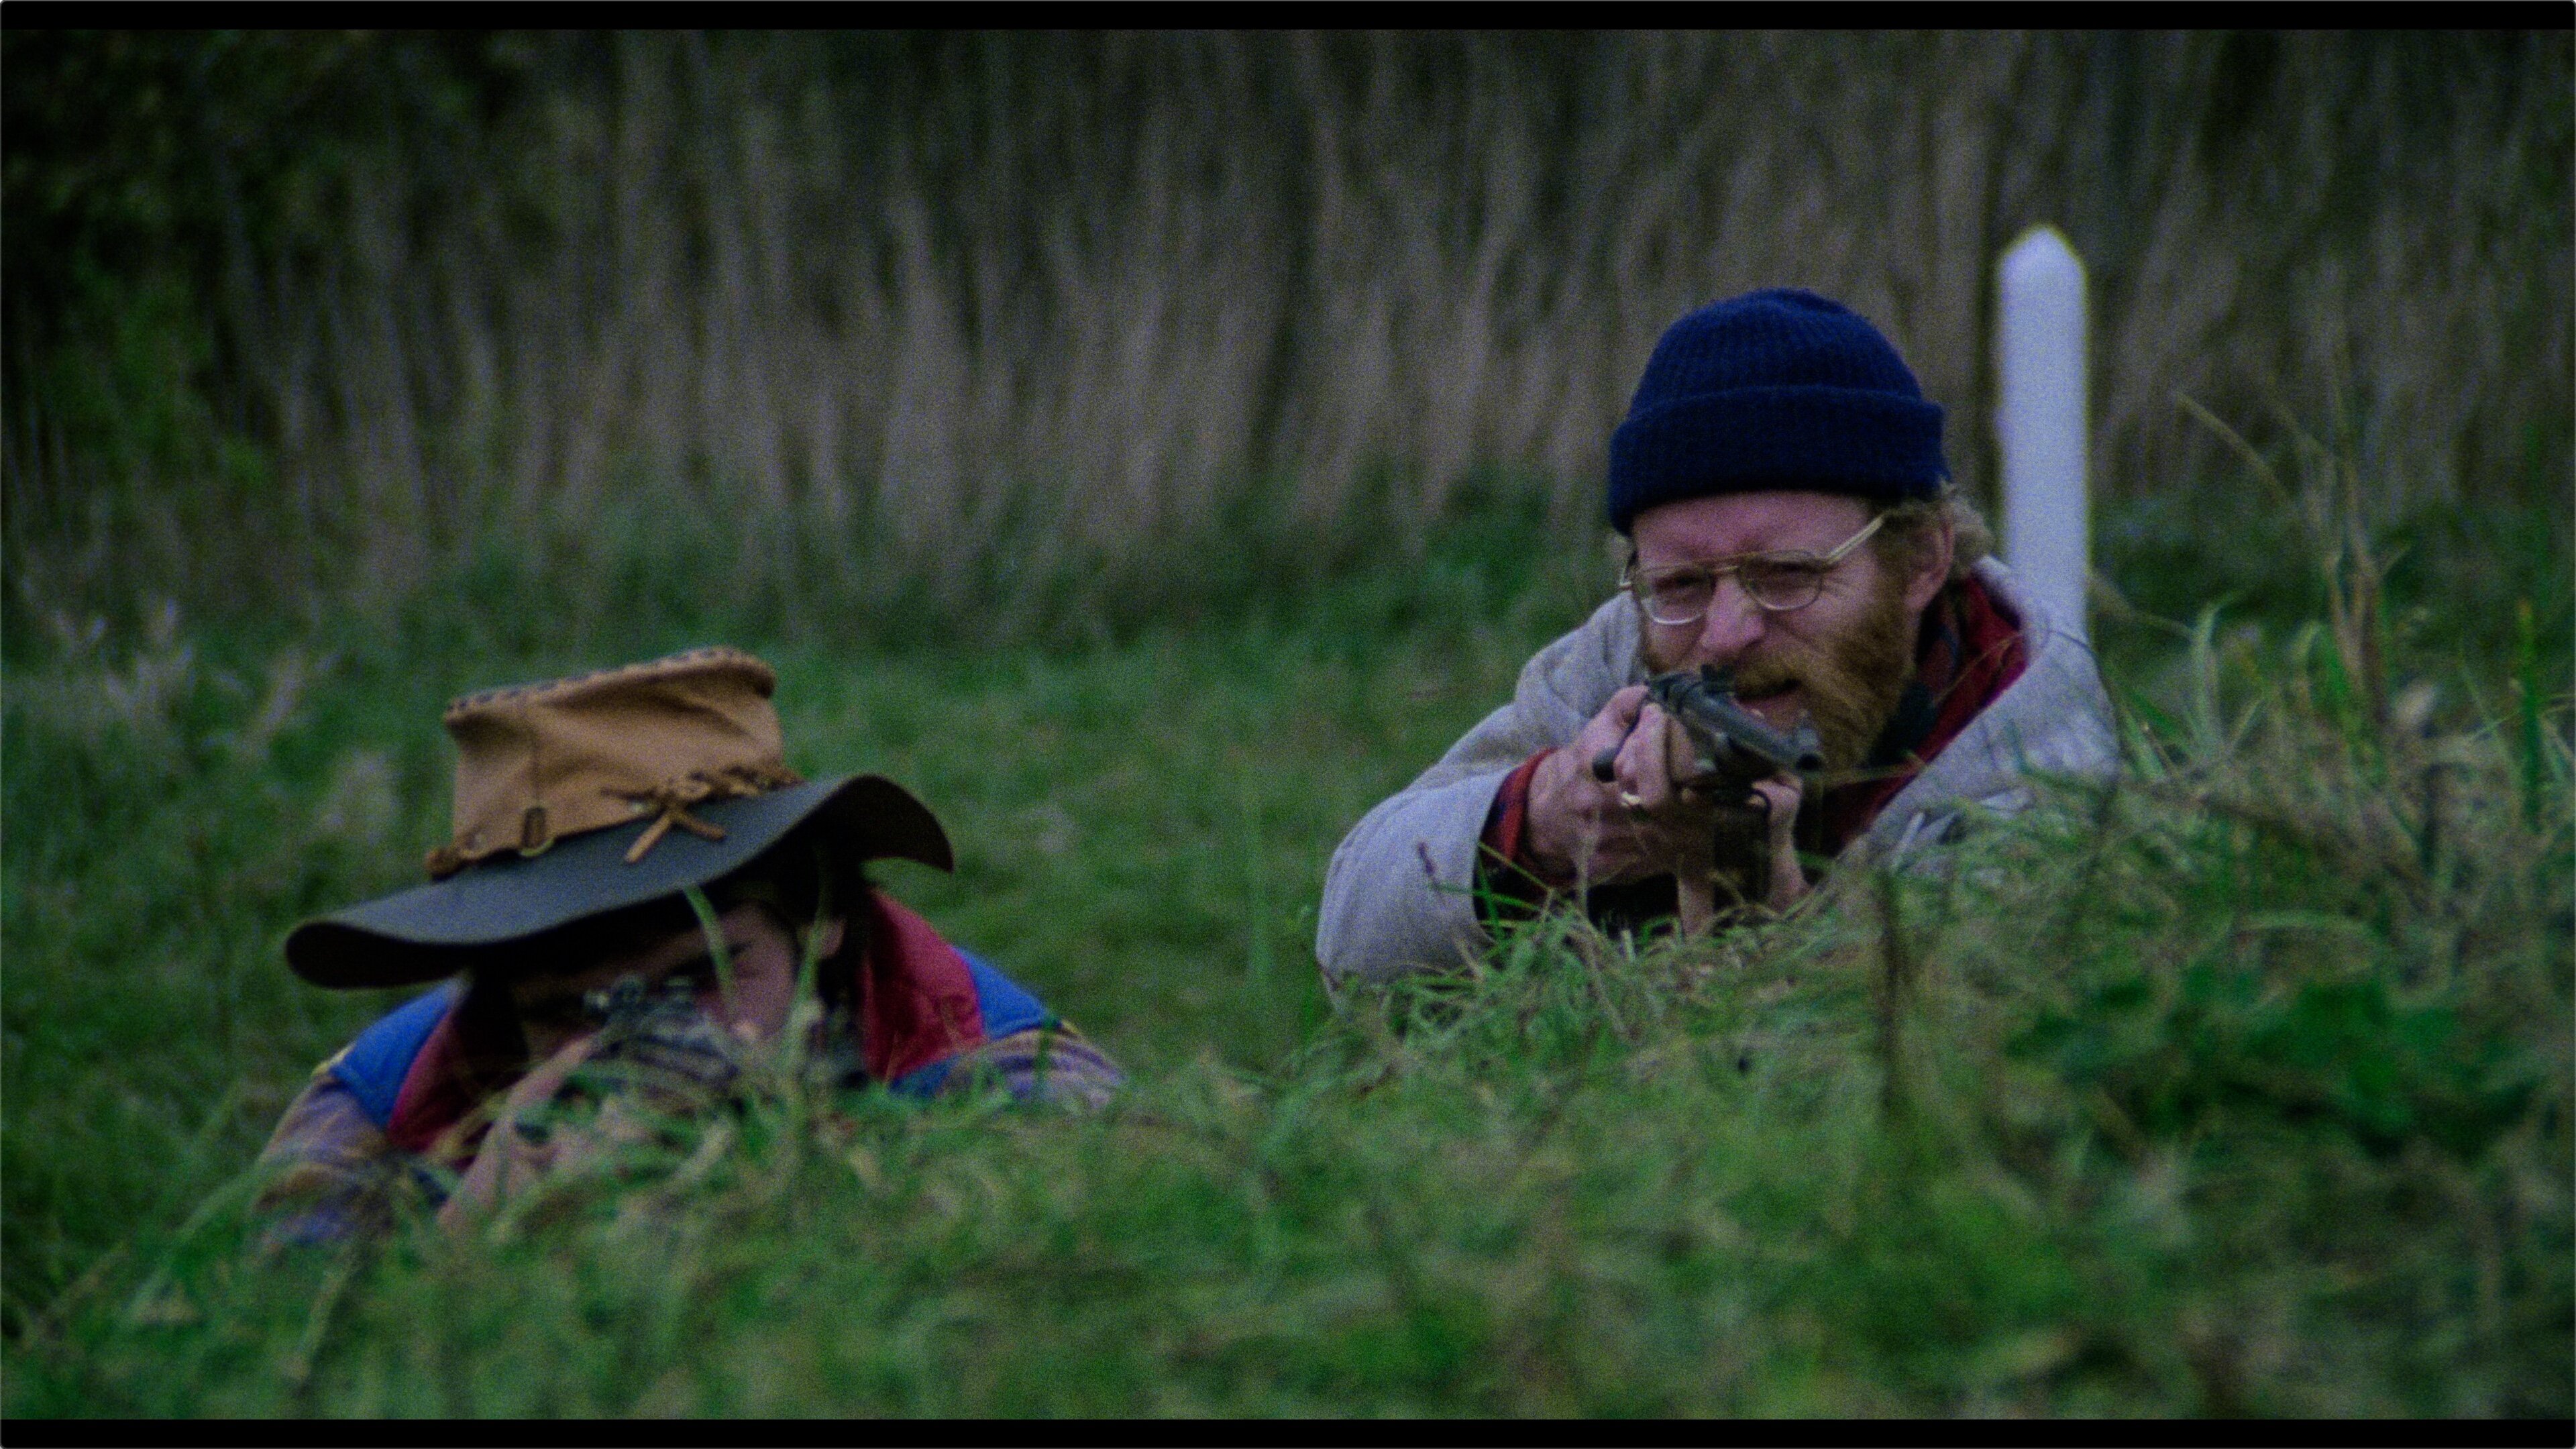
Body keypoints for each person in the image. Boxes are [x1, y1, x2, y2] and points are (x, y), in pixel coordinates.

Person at [1316, 288, 2118, 985]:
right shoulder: (1626, 651)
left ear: (1921, 561)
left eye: (1788, 575)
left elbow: (1919, 1072)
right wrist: (1551, 821)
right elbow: (1351, 941)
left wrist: (1762, 901)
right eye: (1683, 583)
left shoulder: (2051, 784)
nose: (1726, 636)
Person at [256, 646, 1122, 1239]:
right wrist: (470, 1254)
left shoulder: (1000, 1071)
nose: (635, 1038)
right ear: (497, 990)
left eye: (700, 975)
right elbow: (263, 1352)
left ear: (819, 915)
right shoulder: (372, 1110)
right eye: (569, 1011)